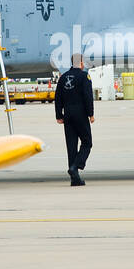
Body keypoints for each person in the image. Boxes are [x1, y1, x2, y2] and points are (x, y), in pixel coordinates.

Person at [54, 53, 94, 186]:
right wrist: (91, 114)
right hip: (81, 114)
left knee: (71, 146)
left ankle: (75, 178)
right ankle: (75, 166)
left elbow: (58, 97)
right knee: (87, 142)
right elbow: (88, 96)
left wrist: (59, 115)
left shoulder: (63, 77)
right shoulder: (84, 76)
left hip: (68, 115)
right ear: (81, 63)